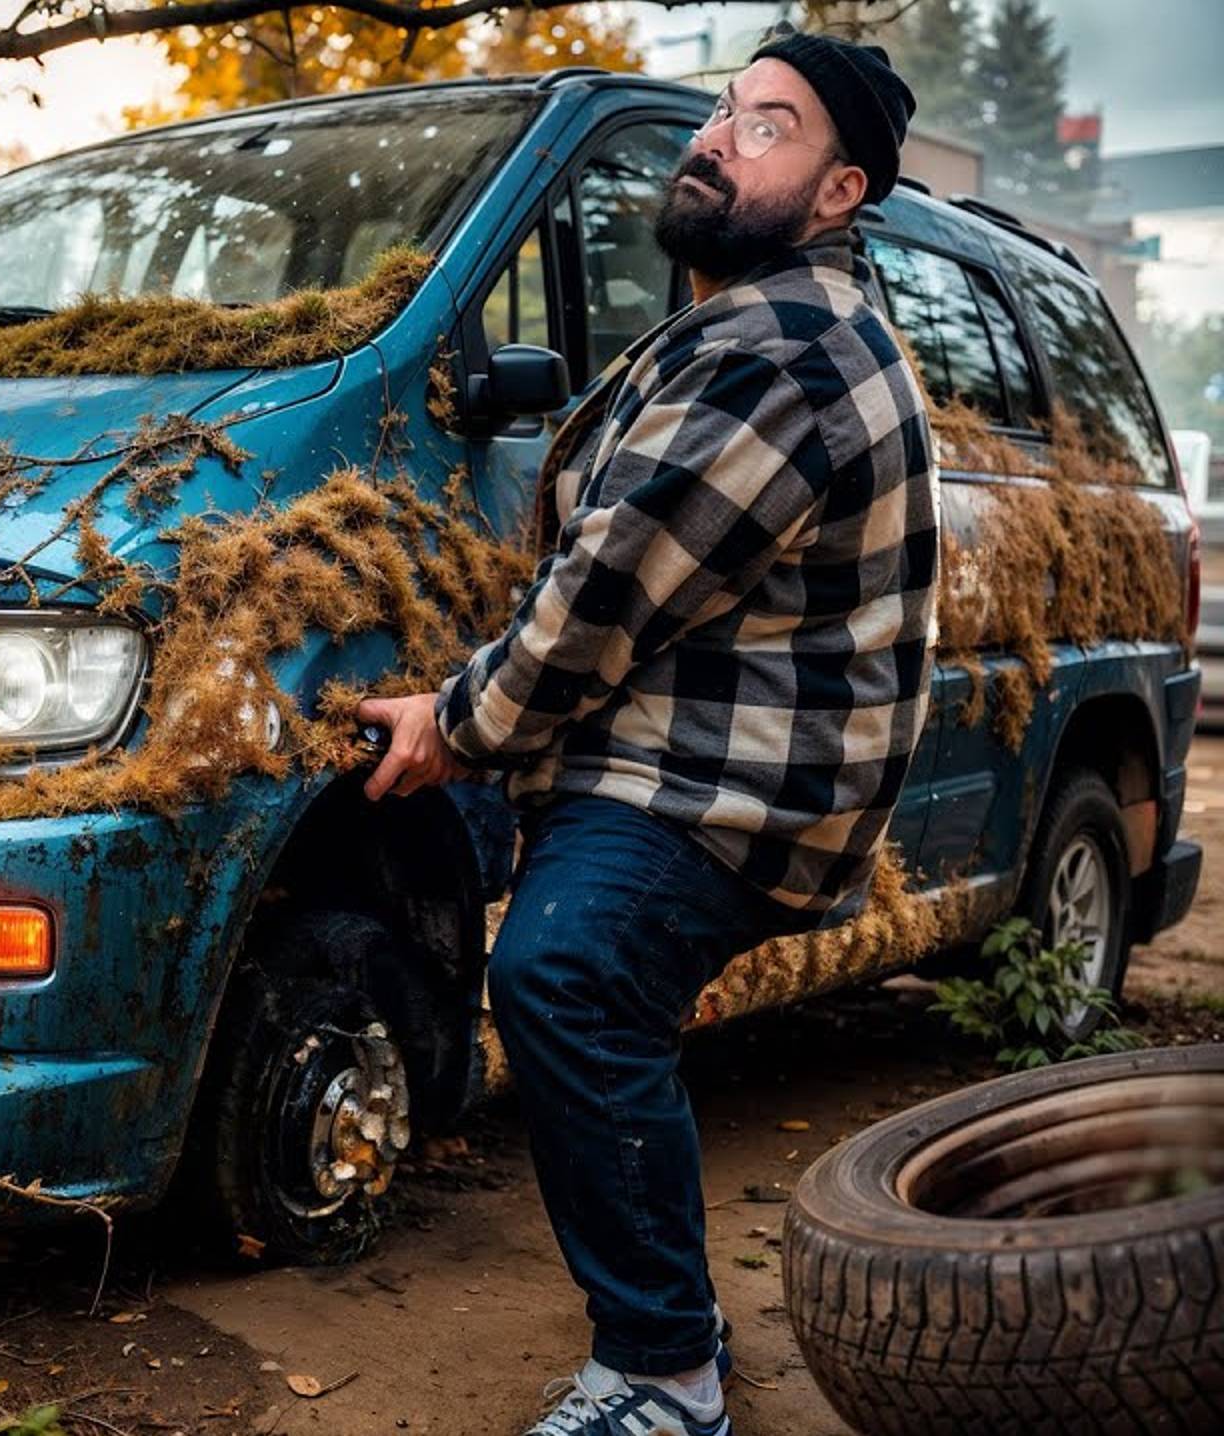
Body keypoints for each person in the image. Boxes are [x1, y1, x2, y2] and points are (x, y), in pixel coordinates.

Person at [357, 33, 935, 1436]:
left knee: (567, 969)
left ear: (839, 187)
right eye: (725, 109)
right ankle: (673, 1337)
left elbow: (609, 592)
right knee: (567, 963)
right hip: (663, 756)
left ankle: (667, 1376)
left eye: (769, 126)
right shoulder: (736, 325)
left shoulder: (788, 350)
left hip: (721, 787)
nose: (719, 136)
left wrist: (455, 722)